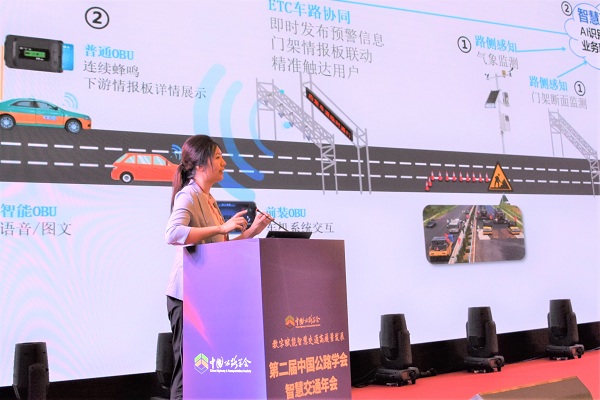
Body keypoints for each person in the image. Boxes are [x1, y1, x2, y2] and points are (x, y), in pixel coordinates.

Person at [164, 134, 271, 400]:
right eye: (219, 157)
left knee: (205, 371)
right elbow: (172, 234)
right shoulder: (188, 195)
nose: (224, 163)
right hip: (186, 297)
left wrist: (252, 231)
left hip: (206, 295)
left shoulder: (209, 198)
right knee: (187, 372)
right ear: (201, 164)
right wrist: (221, 228)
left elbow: (220, 249)